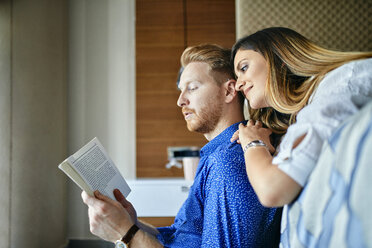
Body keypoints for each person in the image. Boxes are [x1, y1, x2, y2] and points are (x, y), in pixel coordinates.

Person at [82, 44, 282, 247]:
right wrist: (132, 222)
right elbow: (182, 236)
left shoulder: (227, 163)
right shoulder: (214, 156)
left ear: (229, 91)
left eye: (192, 88)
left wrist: (125, 233)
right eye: (180, 90)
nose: (180, 101)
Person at [230, 27, 372, 208]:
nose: (238, 85)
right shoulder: (303, 116)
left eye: (244, 68)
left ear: (278, 58)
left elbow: (272, 190)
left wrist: (253, 143)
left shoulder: (341, 84)